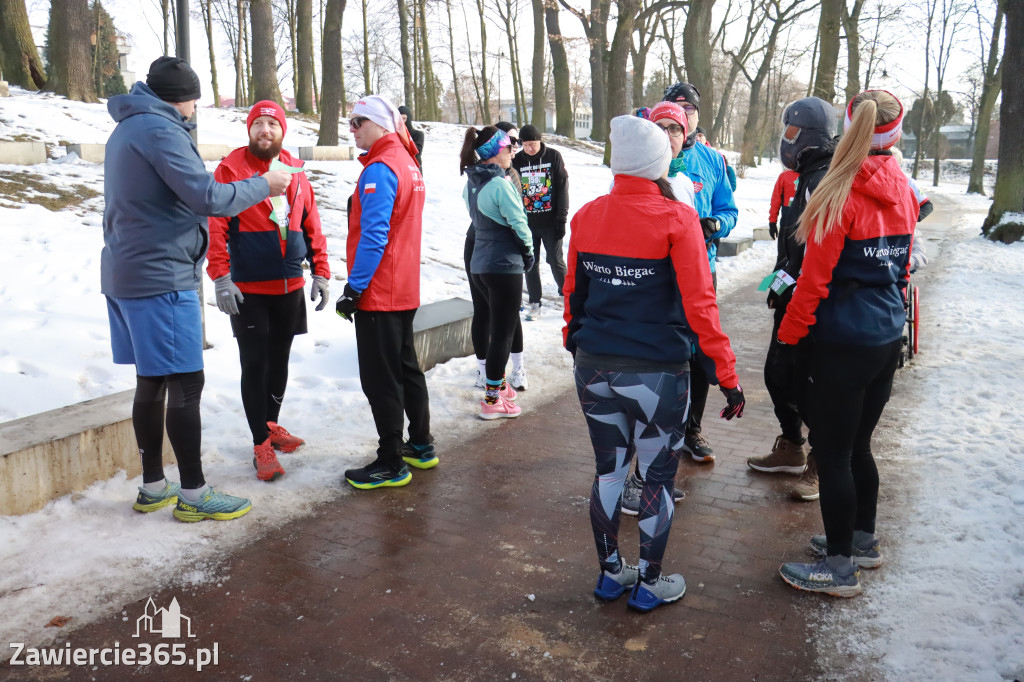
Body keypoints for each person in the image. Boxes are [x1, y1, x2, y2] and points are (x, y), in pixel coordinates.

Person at [564, 114, 744, 613]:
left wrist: (573, 341)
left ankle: (610, 575)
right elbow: (701, 305)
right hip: (659, 374)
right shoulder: (677, 219)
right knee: (658, 480)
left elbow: (574, 293)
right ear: (658, 164)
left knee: (608, 474)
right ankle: (649, 582)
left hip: (594, 366)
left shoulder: (588, 215)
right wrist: (726, 376)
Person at [102, 57, 291, 521]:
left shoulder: (128, 126)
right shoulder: (159, 129)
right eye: (193, 102)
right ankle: (193, 494)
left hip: (129, 272)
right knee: (186, 382)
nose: (194, 110)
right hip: (161, 277)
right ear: (181, 99)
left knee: (151, 381)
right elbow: (207, 196)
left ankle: (153, 486)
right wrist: (263, 184)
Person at [776, 90, 918, 597]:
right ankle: (861, 542)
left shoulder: (838, 192)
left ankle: (839, 569)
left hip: (841, 340)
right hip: (885, 334)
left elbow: (812, 283)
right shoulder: (903, 188)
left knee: (833, 453)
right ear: (894, 133)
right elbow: (903, 267)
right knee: (859, 447)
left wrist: (789, 339)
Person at [207, 100, 332, 482]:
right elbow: (215, 226)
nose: (265, 130)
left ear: (282, 131)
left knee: (279, 361)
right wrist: (221, 277)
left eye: (272, 124)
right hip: (248, 289)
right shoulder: (231, 169)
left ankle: (271, 425)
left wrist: (321, 272)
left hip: (289, 285)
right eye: (258, 123)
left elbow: (311, 223)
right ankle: (260, 443)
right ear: (249, 130)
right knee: (255, 364)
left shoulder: (296, 170)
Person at [336, 95, 436, 489]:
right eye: (350, 122)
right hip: (403, 285)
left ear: (380, 124)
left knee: (382, 378)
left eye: (358, 121)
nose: (352, 129)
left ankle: (391, 461)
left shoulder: (381, 168)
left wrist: (354, 289)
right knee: (407, 367)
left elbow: (375, 236)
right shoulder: (407, 161)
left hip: (381, 291)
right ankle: (421, 444)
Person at [746, 97, 838, 504]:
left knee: (810, 384)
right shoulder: (805, 176)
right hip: (791, 296)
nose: (785, 139)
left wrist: (798, 292)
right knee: (777, 374)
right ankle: (792, 445)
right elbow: (793, 244)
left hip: (814, 306)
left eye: (791, 131)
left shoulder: (827, 179)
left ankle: (820, 459)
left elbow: (820, 254)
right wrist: (777, 282)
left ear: (811, 135)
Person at [617, 100, 695, 516]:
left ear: (686, 135)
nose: (668, 135)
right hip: (644, 315)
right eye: (659, 127)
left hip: (676, 310)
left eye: (675, 128)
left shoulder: (684, 183)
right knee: (639, 407)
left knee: (666, 410)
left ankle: (651, 477)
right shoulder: (634, 182)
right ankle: (634, 482)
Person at [662, 82, 738, 464]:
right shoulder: (649, 158)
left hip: (702, 269)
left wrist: (715, 225)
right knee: (662, 350)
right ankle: (660, 429)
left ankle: (692, 428)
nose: (683, 116)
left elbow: (729, 210)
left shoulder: (713, 161)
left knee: (699, 350)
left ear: (696, 115)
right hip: (658, 273)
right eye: (675, 109)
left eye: (689, 109)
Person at [461, 125, 534, 419]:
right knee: (503, 333)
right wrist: (528, 253)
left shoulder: (472, 183)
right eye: (508, 148)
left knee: (495, 325)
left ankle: (499, 385)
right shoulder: (500, 184)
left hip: (479, 263)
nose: (512, 153)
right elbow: (519, 222)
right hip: (504, 266)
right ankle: (492, 400)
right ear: (494, 152)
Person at [511, 124, 568, 321]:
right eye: (526, 145)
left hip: (551, 221)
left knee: (555, 259)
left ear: (540, 141)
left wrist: (561, 218)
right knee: (531, 263)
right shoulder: (517, 160)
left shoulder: (553, 156)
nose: (530, 148)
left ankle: (568, 296)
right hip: (527, 223)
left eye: (533, 144)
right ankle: (535, 303)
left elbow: (562, 188)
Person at [768, 167, 800, 240]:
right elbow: (776, 200)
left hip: (806, 225)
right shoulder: (784, 176)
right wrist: (772, 222)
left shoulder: (812, 175)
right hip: (787, 223)